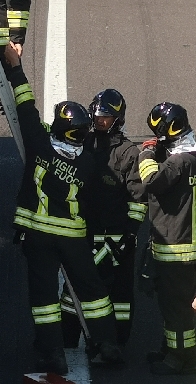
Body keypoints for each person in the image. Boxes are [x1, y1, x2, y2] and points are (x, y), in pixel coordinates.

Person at [3, 47, 124, 374]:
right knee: (93, 291)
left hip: (39, 236)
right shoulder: (88, 162)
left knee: (44, 297)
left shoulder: (40, 145)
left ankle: (52, 354)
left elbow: (26, 108)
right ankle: (108, 345)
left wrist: (15, 69)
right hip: (73, 238)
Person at [61, 89, 145, 346]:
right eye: (97, 115)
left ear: (117, 119)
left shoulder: (128, 153)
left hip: (116, 240)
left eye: (105, 116)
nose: (99, 120)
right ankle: (68, 337)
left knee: (119, 295)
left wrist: (131, 234)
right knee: (73, 288)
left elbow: (139, 199)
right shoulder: (83, 144)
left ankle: (116, 343)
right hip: (84, 233)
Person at [139, 102, 196, 375]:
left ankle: (182, 359)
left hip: (177, 247)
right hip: (189, 243)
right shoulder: (194, 153)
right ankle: (172, 349)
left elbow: (152, 180)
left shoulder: (178, 162)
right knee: (175, 305)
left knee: (176, 308)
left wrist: (146, 153)